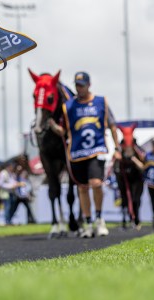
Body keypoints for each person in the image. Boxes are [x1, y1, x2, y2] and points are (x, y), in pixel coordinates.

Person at [51, 72, 120, 238]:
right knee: (82, 187)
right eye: (77, 85)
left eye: (81, 85)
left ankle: (99, 219)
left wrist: (117, 148)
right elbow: (64, 131)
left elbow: (112, 125)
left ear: (89, 85)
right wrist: (52, 126)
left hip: (96, 149)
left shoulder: (100, 102)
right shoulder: (69, 106)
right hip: (77, 152)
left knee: (96, 183)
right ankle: (88, 222)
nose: (79, 88)